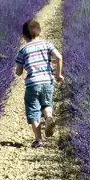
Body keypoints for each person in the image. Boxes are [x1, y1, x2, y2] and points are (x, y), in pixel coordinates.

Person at [14, 19, 64, 148]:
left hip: (32, 84)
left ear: (24, 36)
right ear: (40, 32)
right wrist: (58, 75)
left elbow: (19, 72)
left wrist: (20, 69)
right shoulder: (47, 44)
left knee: (33, 111)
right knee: (46, 104)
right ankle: (48, 117)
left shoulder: (23, 50)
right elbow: (58, 57)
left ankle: (38, 140)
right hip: (48, 81)